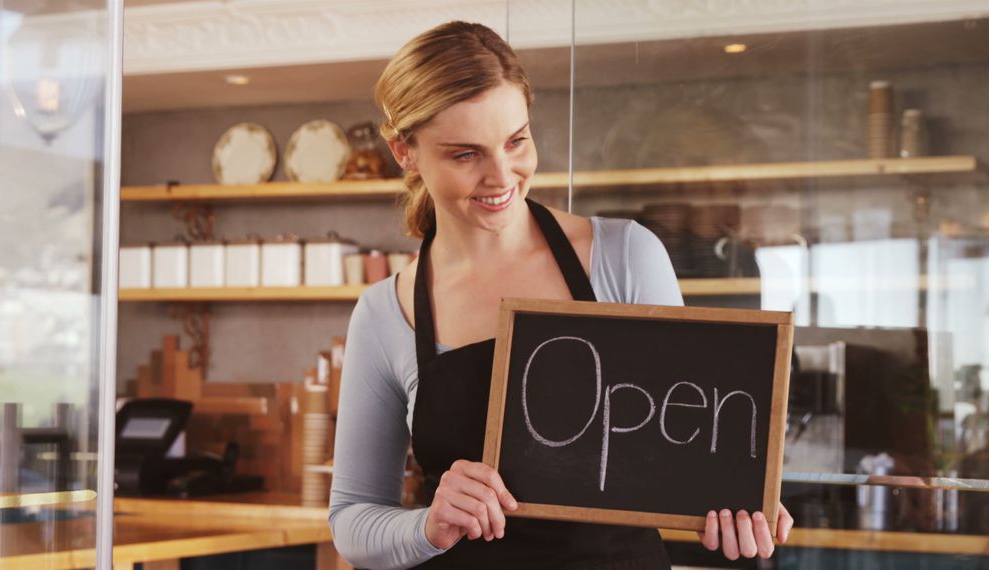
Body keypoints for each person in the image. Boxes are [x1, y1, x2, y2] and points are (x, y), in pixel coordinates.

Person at [329, 21, 794, 570]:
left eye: (516, 141)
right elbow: (352, 519)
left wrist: (737, 505)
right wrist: (428, 525)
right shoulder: (388, 311)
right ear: (404, 151)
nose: (502, 176)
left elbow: (693, 453)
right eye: (465, 155)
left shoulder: (624, 256)